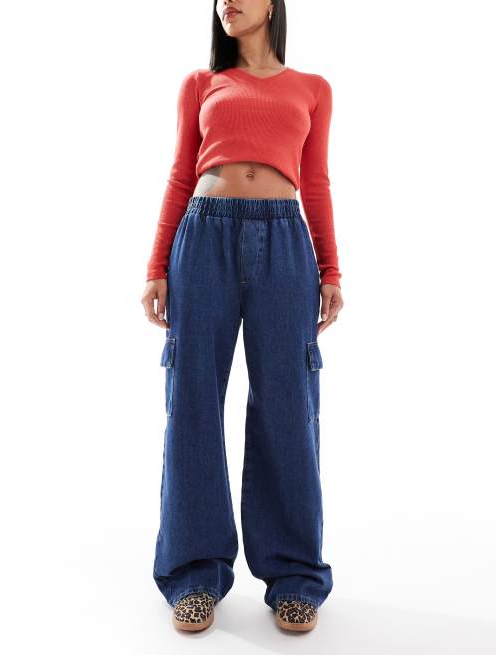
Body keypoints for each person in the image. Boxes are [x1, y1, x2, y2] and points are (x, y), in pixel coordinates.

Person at [141, 0, 344, 633]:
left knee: (288, 403)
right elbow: (181, 174)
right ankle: (194, 573)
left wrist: (331, 270)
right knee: (193, 400)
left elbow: (316, 181)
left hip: (285, 241)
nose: (226, 0)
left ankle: (294, 576)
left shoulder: (312, 88)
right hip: (203, 239)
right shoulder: (201, 84)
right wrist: (156, 266)